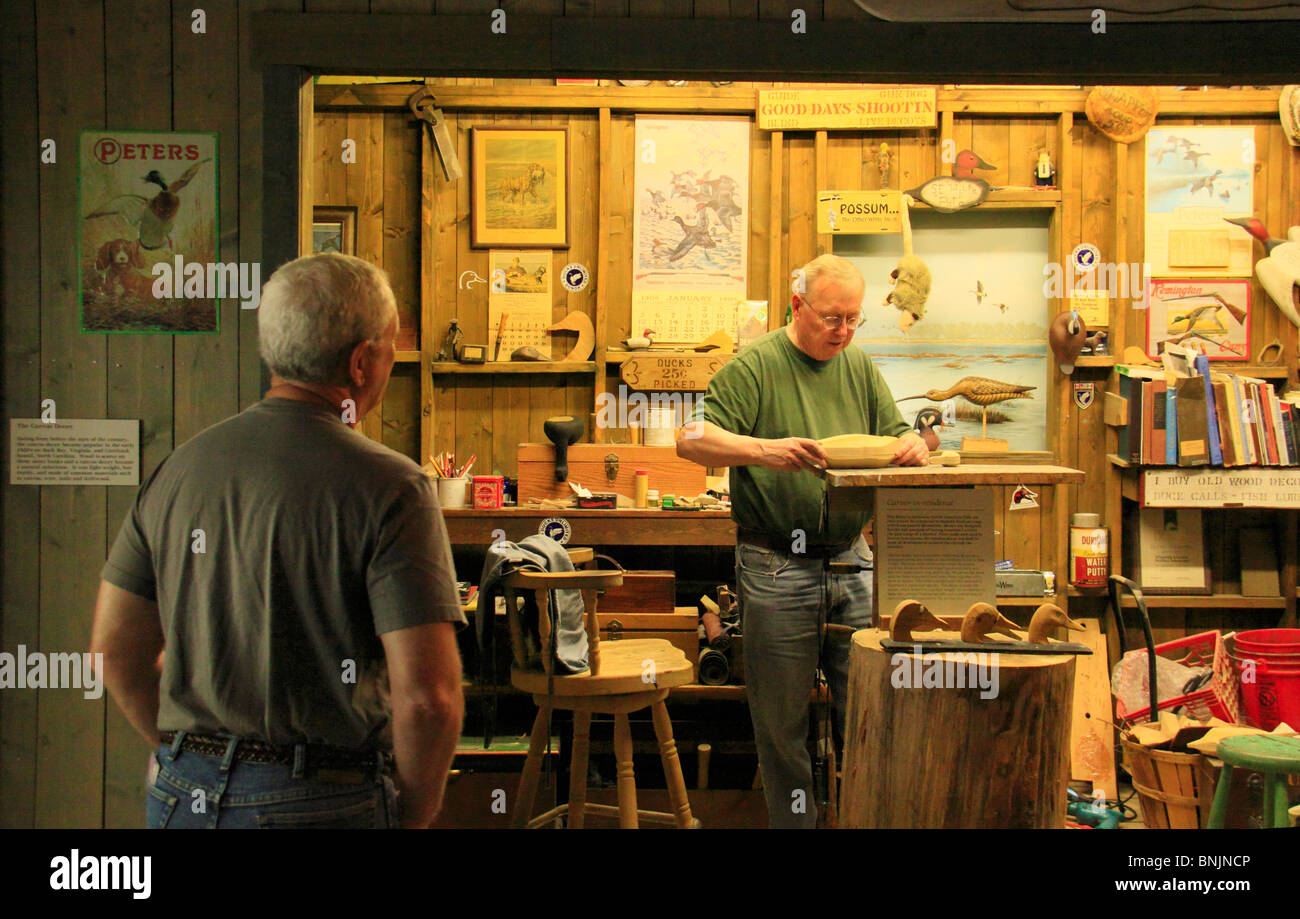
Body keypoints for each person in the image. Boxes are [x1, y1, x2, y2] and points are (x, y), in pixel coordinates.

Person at [91, 253, 465, 829]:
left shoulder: (178, 469)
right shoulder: (393, 487)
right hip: (322, 802)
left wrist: (182, 754)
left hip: (179, 796)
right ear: (362, 361)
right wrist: (412, 814)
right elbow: (429, 700)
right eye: (391, 344)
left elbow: (115, 652)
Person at [676, 253, 927, 828]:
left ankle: (865, 818)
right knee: (782, 722)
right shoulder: (757, 365)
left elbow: (899, 434)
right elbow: (690, 438)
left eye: (853, 319)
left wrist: (916, 444)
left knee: (870, 711)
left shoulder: (858, 366)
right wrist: (764, 450)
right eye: (831, 318)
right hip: (775, 565)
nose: (842, 331)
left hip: (851, 560)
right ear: (797, 306)